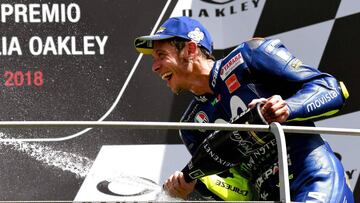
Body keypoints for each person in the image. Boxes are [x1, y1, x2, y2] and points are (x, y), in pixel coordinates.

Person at [134, 16, 354, 202]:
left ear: (190, 49)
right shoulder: (192, 126)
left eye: (161, 55)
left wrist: (288, 107)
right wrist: (193, 185)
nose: (154, 67)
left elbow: (333, 89)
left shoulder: (249, 57)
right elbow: (240, 191)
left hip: (313, 177)